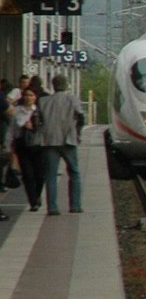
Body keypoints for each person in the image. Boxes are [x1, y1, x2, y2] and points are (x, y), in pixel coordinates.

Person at [37, 73, 84, 215]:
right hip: (68, 139)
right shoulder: (73, 100)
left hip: (49, 141)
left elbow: (37, 120)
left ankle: (52, 208)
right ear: (66, 85)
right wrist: (78, 133)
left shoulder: (43, 101)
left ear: (53, 85)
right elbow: (81, 117)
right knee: (74, 172)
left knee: (50, 175)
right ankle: (75, 205)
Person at [7, 86, 40, 213]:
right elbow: (11, 130)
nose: (28, 98)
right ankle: (33, 202)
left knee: (40, 175)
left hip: (37, 146)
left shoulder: (39, 111)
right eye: (26, 95)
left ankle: (36, 195)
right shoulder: (17, 111)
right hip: (22, 146)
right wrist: (8, 145)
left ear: (35, 97)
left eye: (31, 95)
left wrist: (33, 127)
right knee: (28, 175)